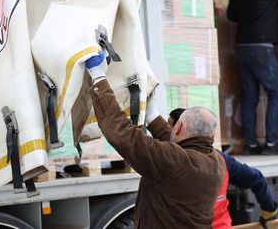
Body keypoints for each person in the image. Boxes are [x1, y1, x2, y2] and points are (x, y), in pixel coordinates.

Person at [84, 51, 226, 228]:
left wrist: (98, 78)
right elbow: (181, 148)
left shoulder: (175, 161)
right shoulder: (216, 162)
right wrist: (151, 115)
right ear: (211, 136)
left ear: (179, 127)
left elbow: (124, 135)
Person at [168, 108, 278, 229]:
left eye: (169, 127)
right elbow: (256, 178)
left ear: (178, 129)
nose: (168, 132)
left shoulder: (171, 162)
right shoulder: (221, 159)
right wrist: (269, 211)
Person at [227, 0, 278, 155]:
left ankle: (250, 144)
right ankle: (271, 143)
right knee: (275, 93)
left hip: (243, 46)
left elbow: (231, 15)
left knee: (249, 97)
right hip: (262, 46)